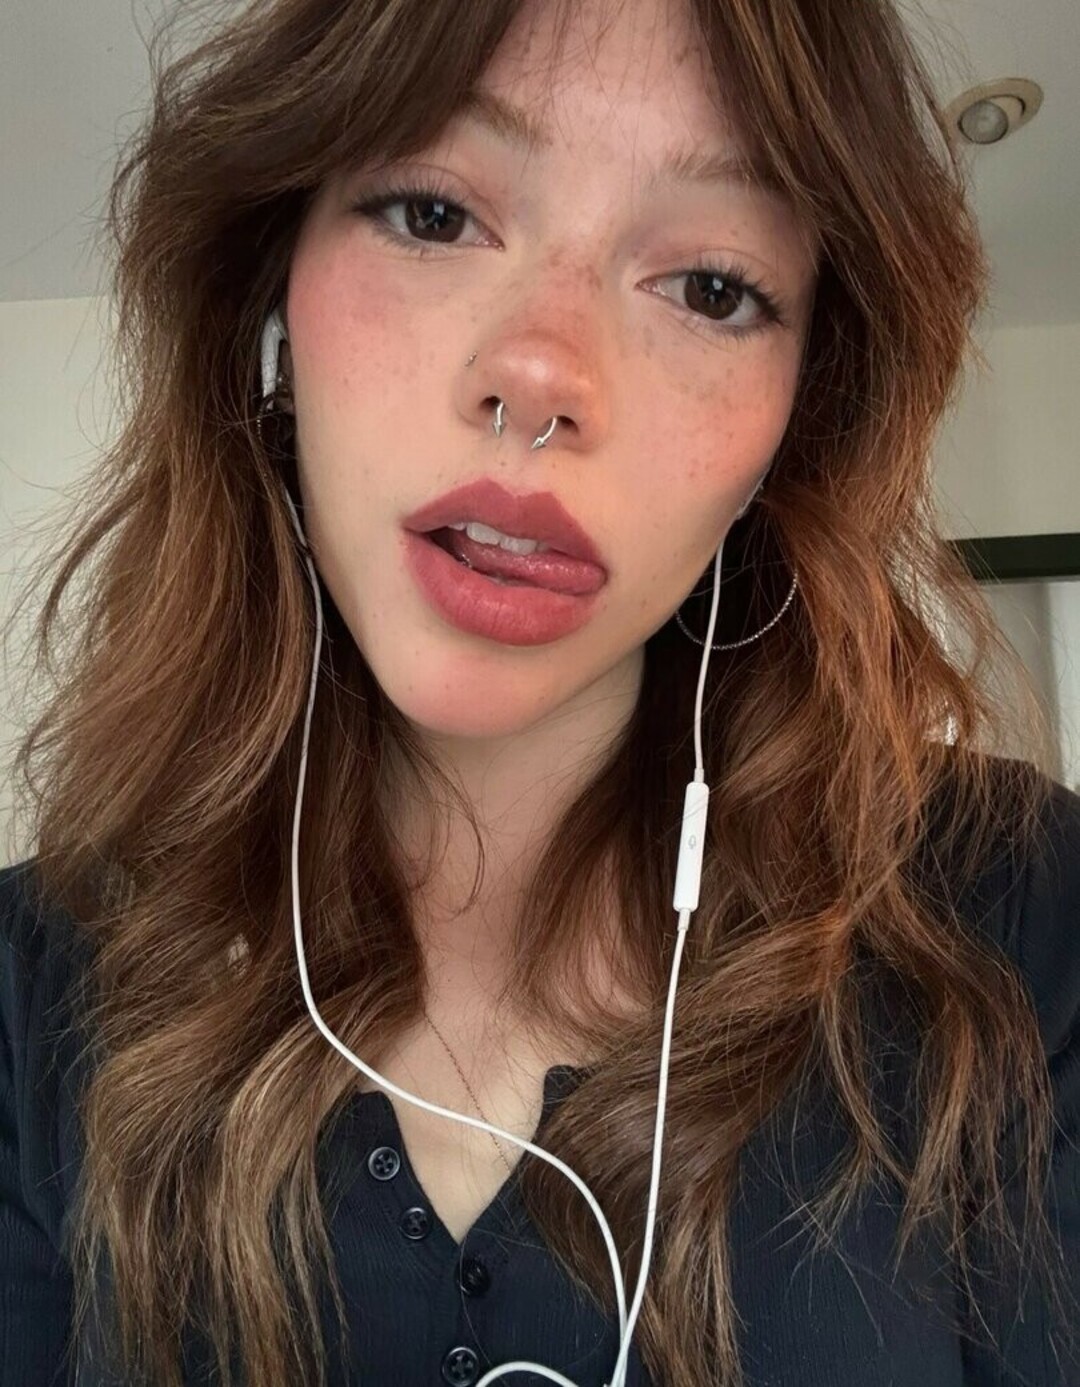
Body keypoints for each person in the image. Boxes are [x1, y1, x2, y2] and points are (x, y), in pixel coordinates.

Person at [2, 0, 1078, 1383]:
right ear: (270, 294)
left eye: (713, 288)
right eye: (433, 214)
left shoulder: (1020, 926)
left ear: (795, 423)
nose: (541, 376)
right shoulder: (35, 989)